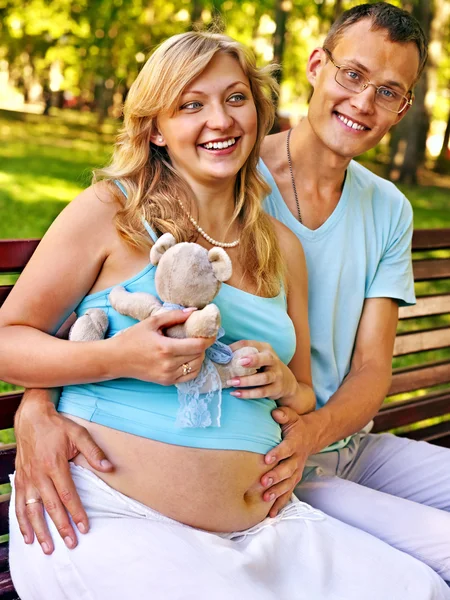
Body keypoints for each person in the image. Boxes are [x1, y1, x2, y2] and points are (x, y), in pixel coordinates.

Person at [3, 16, 449, 600]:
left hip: (267, 522)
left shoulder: (279, 243)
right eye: (190, 104)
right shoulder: (111, 210)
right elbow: (18, 334)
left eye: (235, 98)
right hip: (115, 515)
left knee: (417, 588)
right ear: (156, 127)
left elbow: (314, 387)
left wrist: (285, 382)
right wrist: (81, 379)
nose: (219, 120)